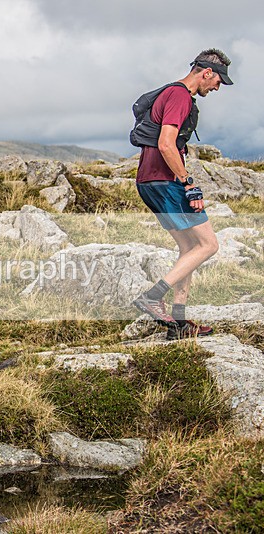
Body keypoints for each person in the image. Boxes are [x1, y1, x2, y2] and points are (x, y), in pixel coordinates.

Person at [131, 49, 233, 340]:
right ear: (207, 72)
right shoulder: (179, 96)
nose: (217, 88)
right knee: (209, 244)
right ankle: (153, 297)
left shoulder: (173, 94)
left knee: (190, 247)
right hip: (165, 181)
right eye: (218, 82)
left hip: (150, 181)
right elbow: (166, 144)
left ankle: (178, 322)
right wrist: (189, 183)